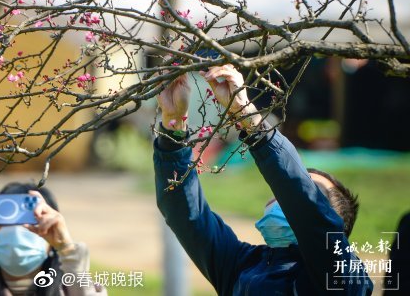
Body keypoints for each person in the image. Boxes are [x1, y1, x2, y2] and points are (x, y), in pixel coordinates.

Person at [154, 64, 373, 295]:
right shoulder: (243, 266)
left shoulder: (341, 277)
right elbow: (188, 216)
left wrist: (250, 119)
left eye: (313, 189)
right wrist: (174, 126)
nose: (282, 197)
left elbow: (299, 194)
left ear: (332, 221)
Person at [0, 182, 107, 296]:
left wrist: (67, 249)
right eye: (8, 219)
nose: (18, 230)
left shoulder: (73, 289)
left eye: (31, 220)